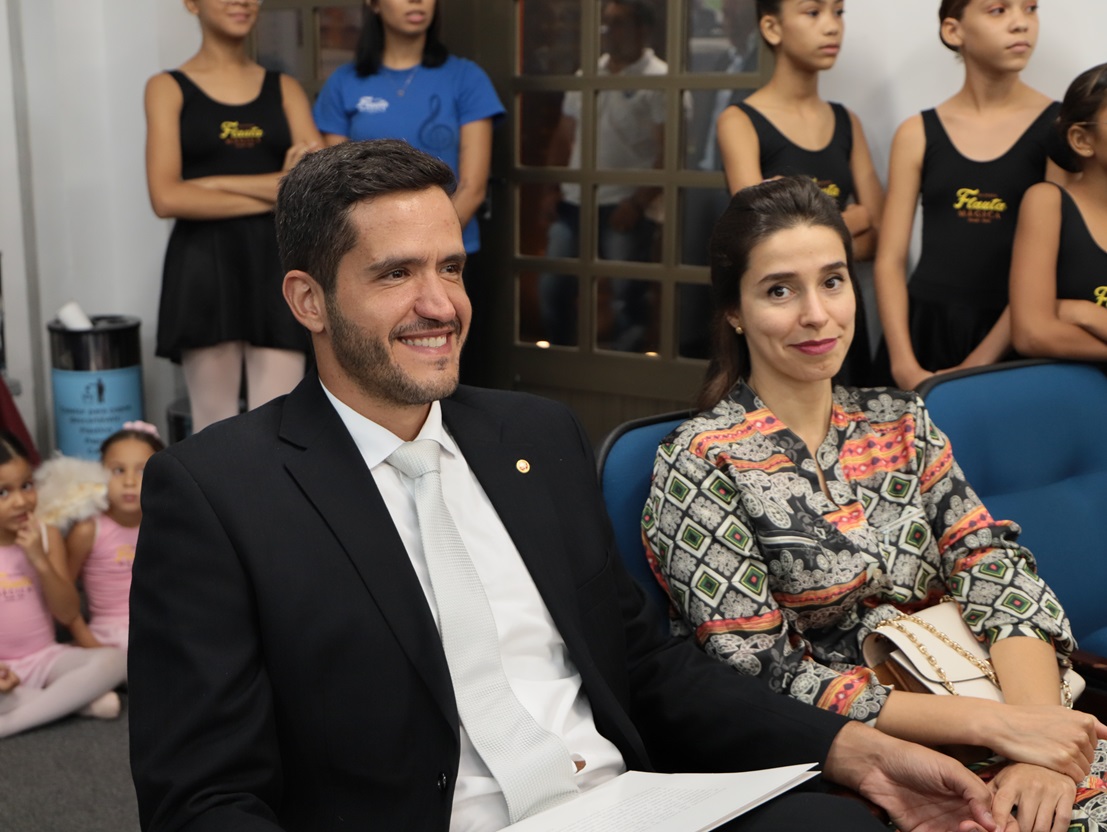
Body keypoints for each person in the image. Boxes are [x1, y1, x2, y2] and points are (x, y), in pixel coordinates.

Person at [128, 139, 1001, 832]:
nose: (440, 305)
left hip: (627, 805)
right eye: (395, 274)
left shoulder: (534, 438)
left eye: (450, 268)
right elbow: (203, 798)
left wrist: (851, 748)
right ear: (308, 300)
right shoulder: (218, 495)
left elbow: (646, 667)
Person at [643, 175, 1107, 832]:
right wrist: (998, 727)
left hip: (999, 708)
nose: (816, 314)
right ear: (734, 311)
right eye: (780, 290)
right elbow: (760, 673)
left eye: (832, 281)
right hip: (878, 765)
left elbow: (992, 567)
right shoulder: (700, 460)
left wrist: (1039, 738)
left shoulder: (900, 421)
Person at [144, 0, 322, 433]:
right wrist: (277, 186)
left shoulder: (285, 88)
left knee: (281, 427)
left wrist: (209, 183)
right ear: (192, 3)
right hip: (204, 267)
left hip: (277, 264)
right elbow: (166, 198)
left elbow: (312, 184)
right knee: (214, 431)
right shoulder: (167, 88)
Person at [874, 0, 1067, 390]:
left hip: (1013, 334)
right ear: (953, 31)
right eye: (999, 10)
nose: (1021, 23)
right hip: (924, 331)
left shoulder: (1059, 131)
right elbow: (890, 260)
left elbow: (1054, 264)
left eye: (1030, 8)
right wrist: (904, 364)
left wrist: (976, 365)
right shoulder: (917, 133)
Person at [312, 0, 503, 384]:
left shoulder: (466, 78)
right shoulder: (344, 84)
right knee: (381, 376)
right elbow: (335, 189)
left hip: (452, 258)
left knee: (451, 375)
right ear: (374, 4)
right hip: (374, 262)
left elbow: (472, 186)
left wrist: (428, 251)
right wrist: (389, 254)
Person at [715, 0, 883, 384]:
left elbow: (879, 236)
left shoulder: (846, 122)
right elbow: (765, 245)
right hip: (784, 320)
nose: (832, 26)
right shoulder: (740, 121)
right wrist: (852, 220)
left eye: (838, 12)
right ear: (772, 28)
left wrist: (802, 234)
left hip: (837, 320)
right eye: (813, 12)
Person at [540, 0, 678, 350]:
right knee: (553, 288)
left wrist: (638, 203)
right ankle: (560, 359)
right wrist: (551, 188)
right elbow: (564, 135)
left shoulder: (661, 79)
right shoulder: (588, 73)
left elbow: (670, 152)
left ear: (642, 29)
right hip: (575, 202)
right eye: (606, 23)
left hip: (625, 206)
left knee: (627, 298)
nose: (609, 31)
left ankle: (626, 368)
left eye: (619, 23)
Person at [0, 431, 126, 738]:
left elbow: (68, 613)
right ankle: (73, 700)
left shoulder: (47, 535)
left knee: (117, 660)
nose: (21, 501)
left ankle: (11, 721)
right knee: (107, 701)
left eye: (26, 486)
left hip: (46, 658)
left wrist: (40, 560)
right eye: (3, 492)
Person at [1010, 63, 1107, 360]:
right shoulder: (1048, 204)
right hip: (1071, 386)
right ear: (1081, 140)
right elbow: (1032, 334)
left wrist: (1085, 313)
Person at [65, 423, 164, 652]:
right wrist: (90, 644)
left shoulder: (165, 525)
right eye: (118, 470)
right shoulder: (88, 530)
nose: (129, 481)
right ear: (99, 474)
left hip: (160, 628)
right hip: (106, 636)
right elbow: (63, 595)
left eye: (142, 471)